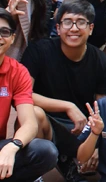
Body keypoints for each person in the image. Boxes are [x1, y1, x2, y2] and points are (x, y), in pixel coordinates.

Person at [21, 0, 106, 181]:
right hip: (47, 123)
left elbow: (102, 109)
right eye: (67, 22)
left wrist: (98, 144)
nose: (74, 28)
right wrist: (67, 106)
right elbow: (23, 95)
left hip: (81, 128)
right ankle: (35, 174)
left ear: (91, 28)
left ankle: (67, 161)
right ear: (57, 28)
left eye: (81, 22)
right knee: (33, 112)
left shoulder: (101, 61)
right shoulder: (39, 51)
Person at [0, 9, 58, 181]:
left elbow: (29, 123)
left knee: (46, 152)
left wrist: (12, 146)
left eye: (4, 32)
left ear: (12, 38)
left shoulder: (17, 72)